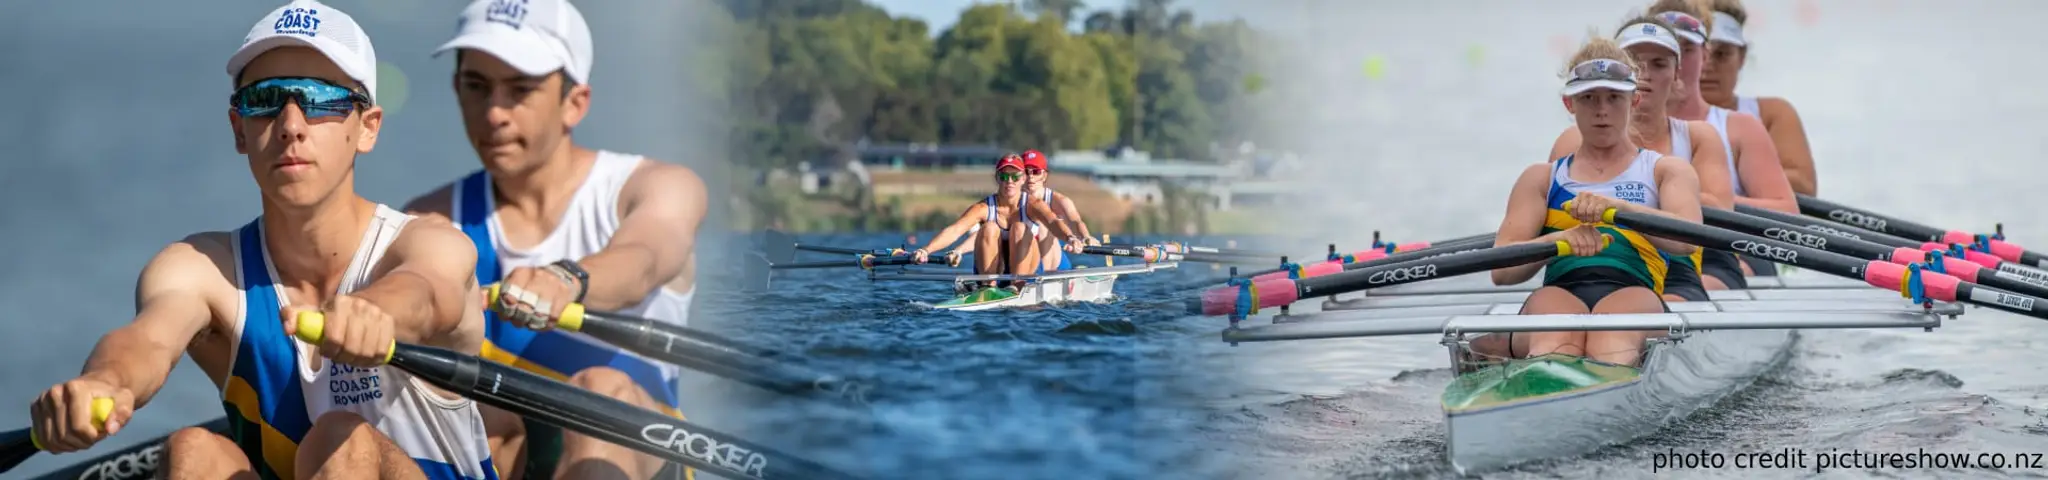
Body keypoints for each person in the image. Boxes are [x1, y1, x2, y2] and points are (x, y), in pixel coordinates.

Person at [29, 2, 498, 479]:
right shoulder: (202, 270)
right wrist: (102, 382)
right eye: (266, 99)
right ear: (240, 129)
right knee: (194, 451)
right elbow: (146, 340)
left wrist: (376, 312)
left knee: (341, 439)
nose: (291, 125)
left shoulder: (433, 245)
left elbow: (425, 291)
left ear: (367, 128)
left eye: (319, 99)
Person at [400, 0, 708, 478]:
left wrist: (566, 280)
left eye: (520, 90)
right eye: (476, 86)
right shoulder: (430, 219)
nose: (494, 112)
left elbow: (645, 258)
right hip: (507, 451)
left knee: (601, 389)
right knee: (466, 410)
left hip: (639, 451)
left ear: (574, 102)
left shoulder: (658, 188)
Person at [1488, 38, 1705, 366]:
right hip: (1559, 292)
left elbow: (1688, 240)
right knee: (1553, 343)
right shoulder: (1540, 178)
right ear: (1569, 104)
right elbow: (1502, 272)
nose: (1601, 110)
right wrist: (1558, 240)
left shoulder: (1666, 170)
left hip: (1635, 292)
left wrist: (1619, 211)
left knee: (1609, 344)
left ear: (1635, 100)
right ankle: (1548, 385)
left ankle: (1590, 387)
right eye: (1588, 98)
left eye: (1613, 97)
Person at [1549, 16, 1733, 303]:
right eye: (1635, 61)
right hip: (1592, 266)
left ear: (1676, 74)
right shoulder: (1571, 141)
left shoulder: (1697, 139)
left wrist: (1631, 203)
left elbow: (1717, 216)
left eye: (1659, 64)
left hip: (1674, 269)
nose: (1645, 73)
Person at [1643, 2, 1798, 283]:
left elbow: (1787, 212)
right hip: (1648, 246)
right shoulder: (1611, 128)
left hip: (1735, 247)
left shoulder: (1740, 127)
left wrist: (1695, 201)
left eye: (1686, 50)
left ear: (1705, 54)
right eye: (1661, 54)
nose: (1675, 61)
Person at [1699, 0, 1819, 198]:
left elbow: (1803, 186)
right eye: (1700, 53)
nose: (1708, 66)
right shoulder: (1650, 114)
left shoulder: (1773, 114)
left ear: (1742, 57)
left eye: (1721, 54)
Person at [908, 154, 1086, 283]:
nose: (1010, 181)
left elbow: (1053, 222)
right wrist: (926, 250)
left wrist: (1071, 238)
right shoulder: (983, 207)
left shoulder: (1033, 204)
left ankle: (1017, 285)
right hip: (994, 270)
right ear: (997, 179)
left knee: (1019, 228)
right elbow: (955, 230)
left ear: (1022, 179)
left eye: (1015, 177)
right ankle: (988, 287)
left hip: (1026, 271)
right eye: (1004, 176)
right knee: (989, 228)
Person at [1020, 149, 1099, 272]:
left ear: (1044, 175)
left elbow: (1075, 221)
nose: (1030, 177)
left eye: (1036, 172)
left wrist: (1085, 236)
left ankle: (1045, 276)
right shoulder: (1011, 199)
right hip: (1023, 261)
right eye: (1026, 172)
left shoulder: (1059, 201)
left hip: (1053, 262)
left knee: (1043, 222)